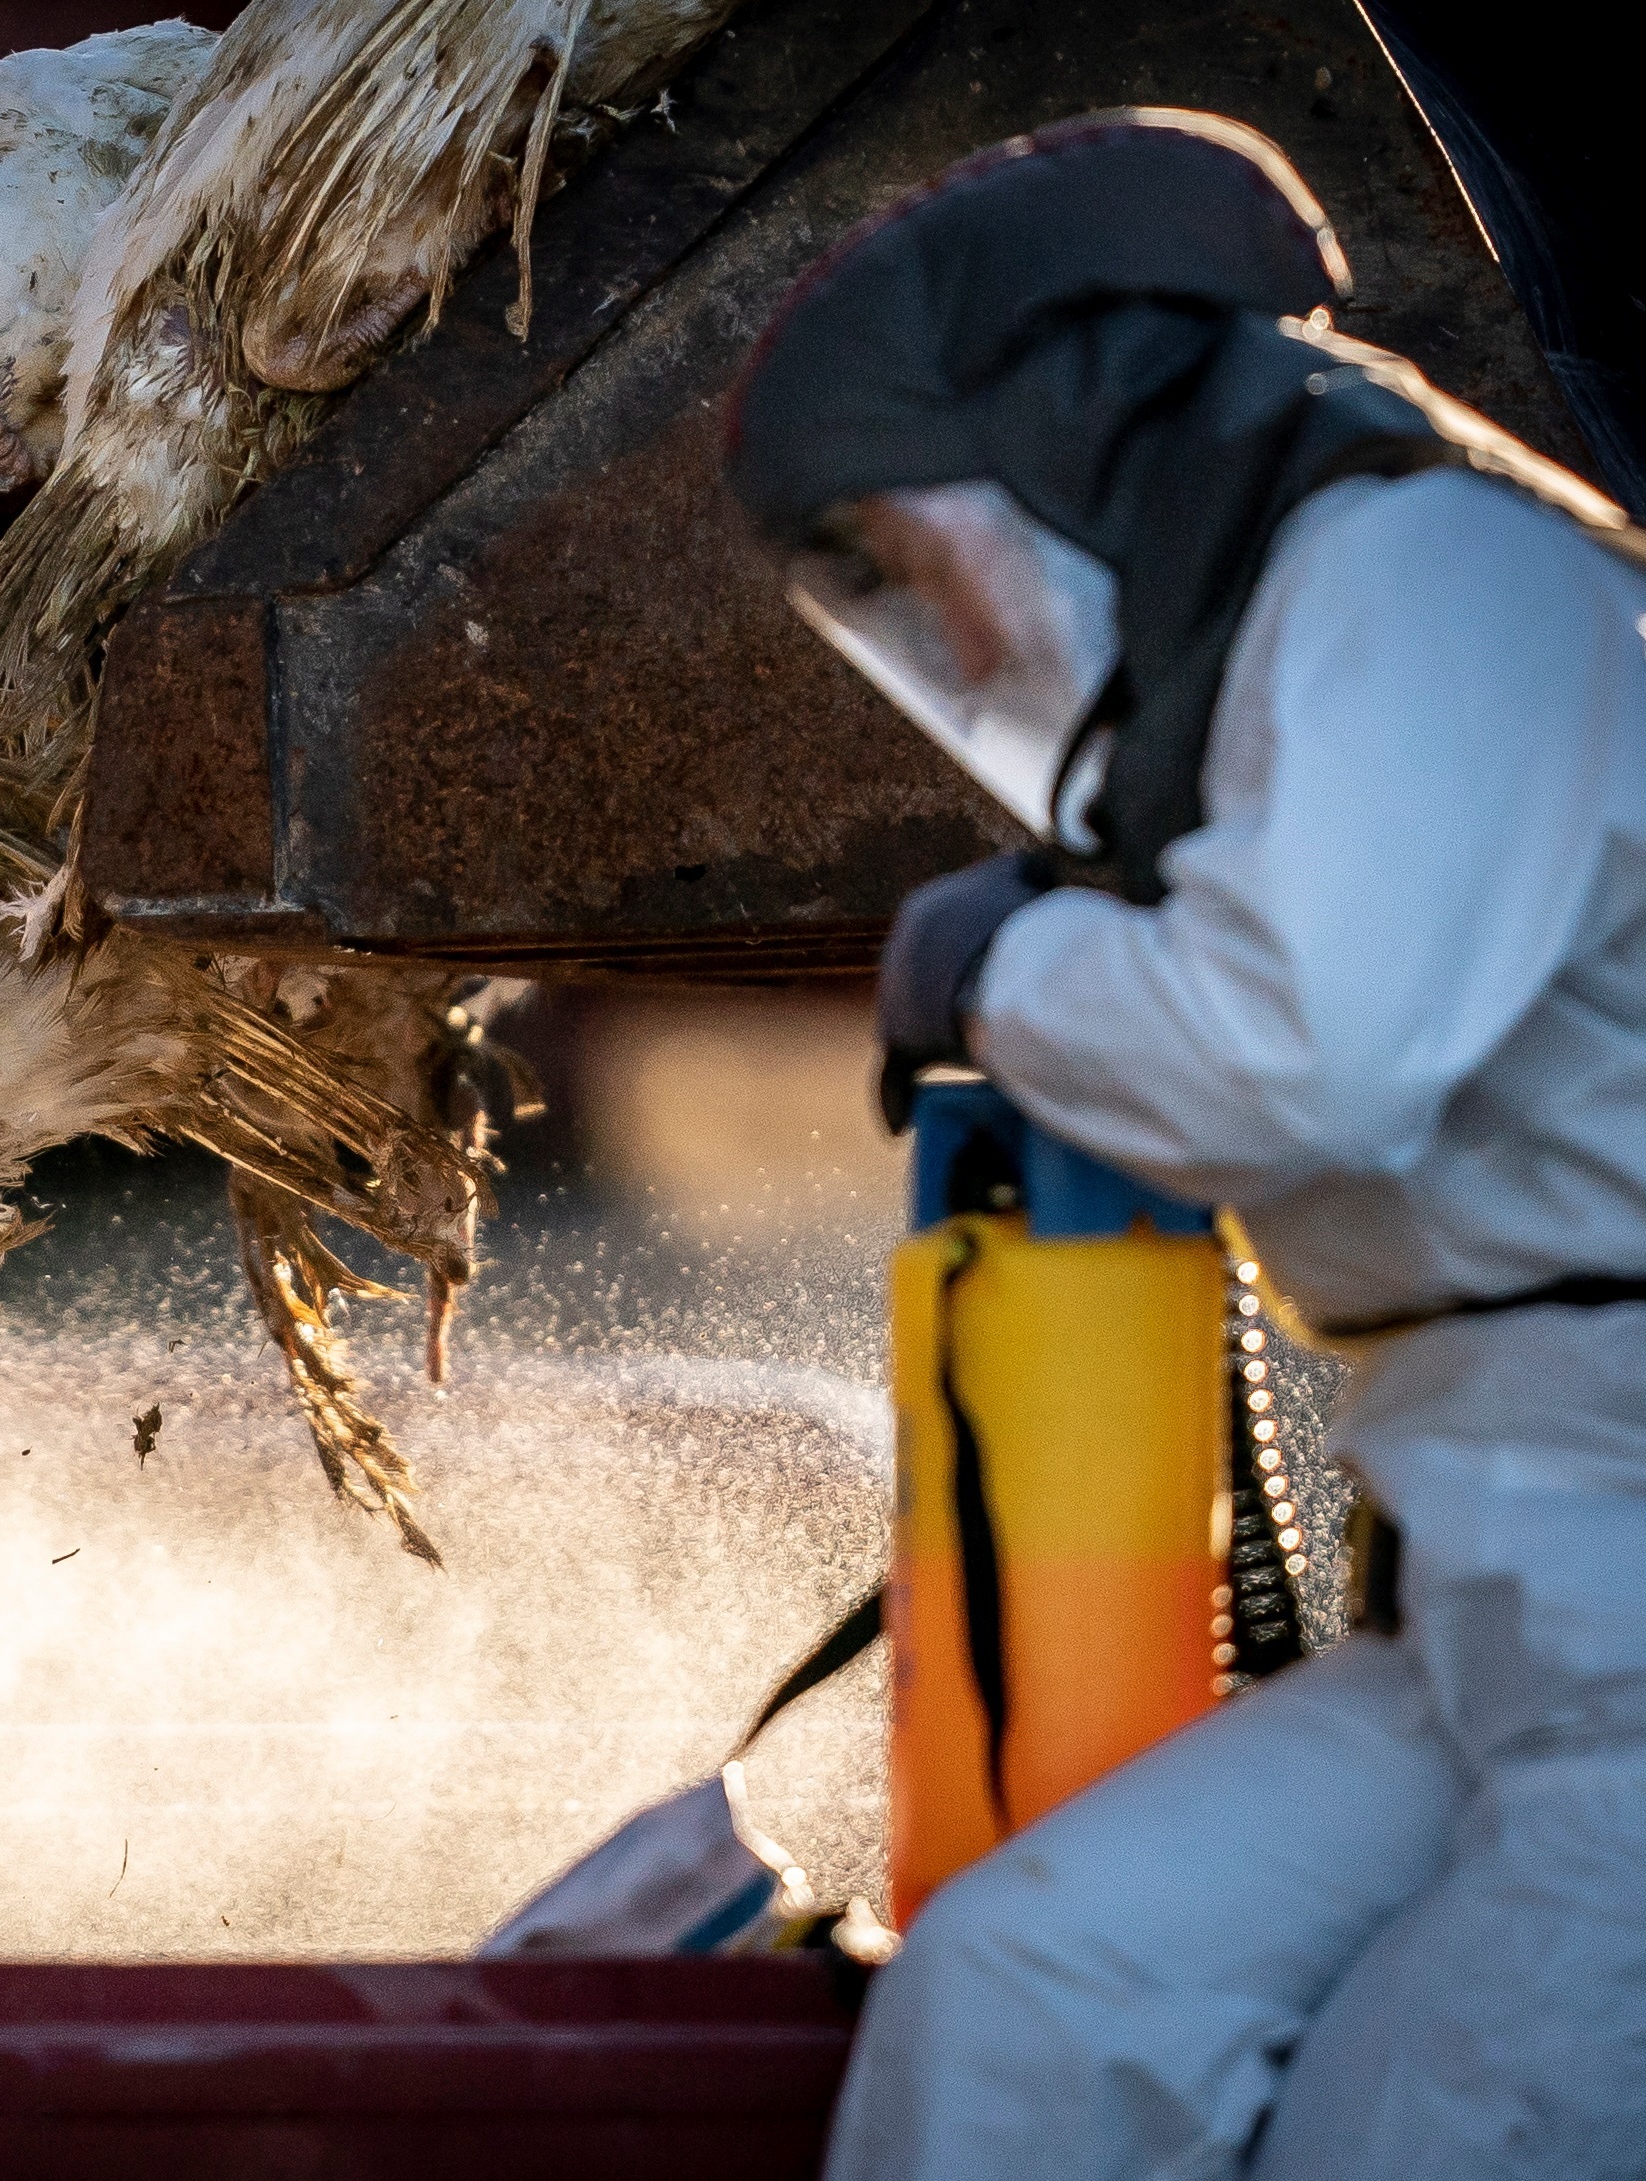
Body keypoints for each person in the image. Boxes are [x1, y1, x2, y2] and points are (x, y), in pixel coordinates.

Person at [726, 112, 1646, 2176]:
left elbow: (1301, 1058)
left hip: (1616, 1605)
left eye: (921, 565)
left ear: (1080, 444)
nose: (958, 656)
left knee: (1416, 2136)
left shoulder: (1424, 578)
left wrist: (1003, 967)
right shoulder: (1312, 633)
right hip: (1516, 1608)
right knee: (1027, 2000)